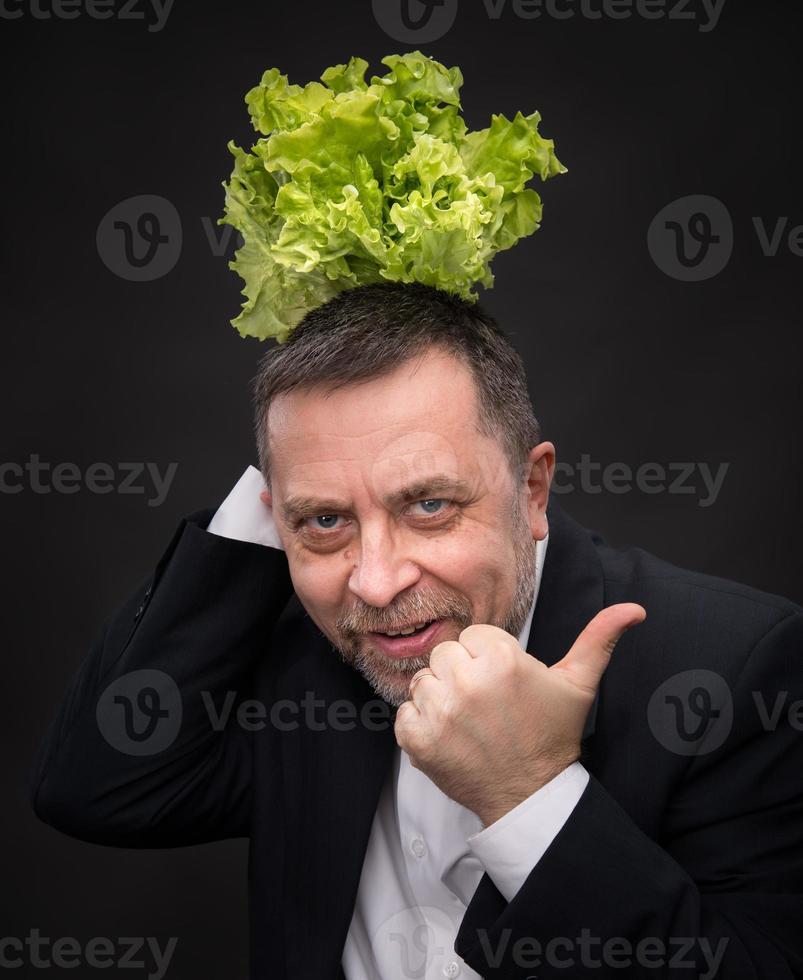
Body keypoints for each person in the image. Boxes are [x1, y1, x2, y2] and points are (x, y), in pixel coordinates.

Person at [29, 282, 803, 979]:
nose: (375, 581)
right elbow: (98, 789)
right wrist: (286, 492)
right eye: (325, 521)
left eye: (427, 505)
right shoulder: (302, 664)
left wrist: (526, 793)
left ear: (531, 490)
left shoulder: (735, 667)